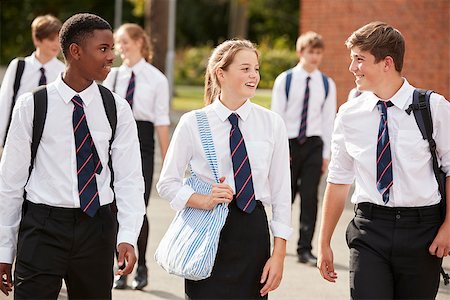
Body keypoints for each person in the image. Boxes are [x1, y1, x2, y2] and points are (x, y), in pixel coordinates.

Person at [0, 13, 145, 299]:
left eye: (112, 49)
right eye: (103, 49)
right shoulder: (32, 105)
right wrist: (4, 248)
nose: (111, 57)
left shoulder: (116, 108)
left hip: (97, 227)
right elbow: (10, 183)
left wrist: (128, 235)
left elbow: (129, 178)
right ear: (75, 51)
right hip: (42, 227)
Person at [317, 21, 450, 299]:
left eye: (359, 59)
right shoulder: (348, 114)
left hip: (422, 233)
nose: (352, 68)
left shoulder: (434, 108)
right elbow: (338, 180)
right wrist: (323, 241)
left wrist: (449, 227)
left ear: (387, 63)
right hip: (369, 231)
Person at [156, 39, 292, 299]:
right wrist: (203, 200)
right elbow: (167, 183)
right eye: (245, 68)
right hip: (207, 231)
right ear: (221, 73)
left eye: (256, 68)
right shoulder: (193, 123)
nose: (254, 75)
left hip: (253, 231)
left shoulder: (272, 123)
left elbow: (281, 193)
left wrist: (279, 254)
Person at [103, 23, 170, 290]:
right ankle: (121, 268)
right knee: (113, 208)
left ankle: (141, 266)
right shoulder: (113, 76)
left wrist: (168, 161)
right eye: (118, 44)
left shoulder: (156, 79)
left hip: (142, 144)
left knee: (137, 208)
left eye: (125, 43)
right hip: (113, 142)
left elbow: (162, 122)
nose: (121, 49)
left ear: (140, 43)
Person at [271, 31, 336, 266]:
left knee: (310, 198)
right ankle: (278, 243)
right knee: (284, 196)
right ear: (301, 52)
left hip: (313, 144)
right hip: (288, 142)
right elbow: (276, 117)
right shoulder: (285, 80)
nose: (315, 57)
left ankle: (305, 248)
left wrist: (326, 155)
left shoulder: (327, 84)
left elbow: (329, 121)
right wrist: (279, 150)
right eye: (311, 52)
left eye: (319, 52)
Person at [0, 14, 65, 148]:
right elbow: (4, 102)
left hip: (49, 142)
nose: (56, 44)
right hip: (17, 137)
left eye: (58, 39)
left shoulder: (63, 71)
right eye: (51, 39)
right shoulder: (19, 66)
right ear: (37, 40)